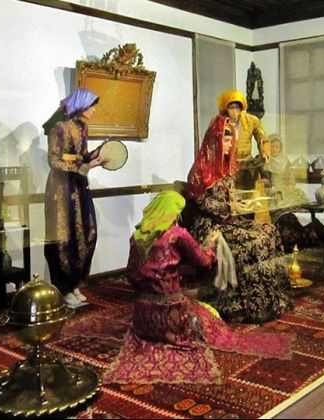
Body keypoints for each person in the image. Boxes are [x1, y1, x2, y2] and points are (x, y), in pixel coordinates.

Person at [103, 191, 293, 384]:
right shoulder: (177, 234)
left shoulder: (136, 237)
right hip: (171, 315)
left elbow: (132, 274)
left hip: (142, 318)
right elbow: (203, 263)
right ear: (174, 212)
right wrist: (210, 245)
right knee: (208, 318)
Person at [187, 115, 293, 323]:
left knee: (270, 230)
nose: (230, 145)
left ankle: (272, 297)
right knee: (257, 241)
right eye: (225, 140)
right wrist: (232, 207)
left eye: (231, 140)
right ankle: (250, 304)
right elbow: (203, 204)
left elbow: (229, 199)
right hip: (209, 226)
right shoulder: (201, 169)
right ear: (215, 140)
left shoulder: (227, 167)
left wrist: (240, 205)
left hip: (227, 220)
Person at [43, 88, 105, 307]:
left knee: (87, 232)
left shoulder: (83, 127)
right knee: (64, 236)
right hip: (61, 188)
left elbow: (82, 156)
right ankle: (63, 287)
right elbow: (54, 161)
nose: (94, 110)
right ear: (81, 105)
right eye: (92, 105)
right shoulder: (58, 127)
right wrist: (84, 166)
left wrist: (97, 155)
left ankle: (75, 282)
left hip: (79, 185)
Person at [217, 89, 270, 162]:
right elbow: (211, 143)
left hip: (246, 161)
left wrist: (265, 153)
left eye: (237, 107)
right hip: (226, 162)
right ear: (226, 109)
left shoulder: (251, 120)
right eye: (231, 108)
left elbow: (263, 138)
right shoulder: (218, 122)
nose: (234, 111)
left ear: (241, 108)